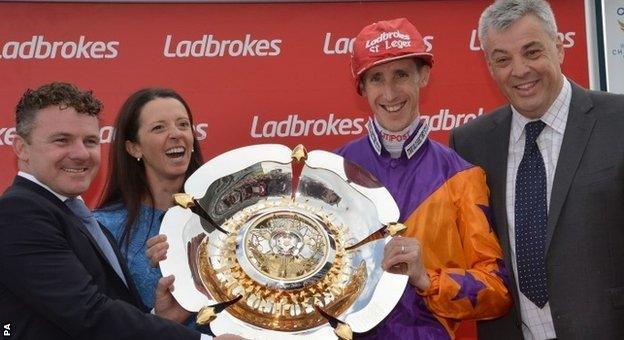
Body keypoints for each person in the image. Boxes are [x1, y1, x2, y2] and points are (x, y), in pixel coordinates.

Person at [0, 82, 236, 340]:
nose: (81, 154)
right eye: (62, 140)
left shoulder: (77, 216)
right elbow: (89, 314)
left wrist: (160, 315)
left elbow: (105, 310)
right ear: (21, 148)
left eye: (90, 141)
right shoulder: (19, 212)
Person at [449, 1, 624, 339]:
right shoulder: (471, 143)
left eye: (532, 52)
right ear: (489, 65)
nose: (520, 70)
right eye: (502, 59)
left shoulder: (618, 121)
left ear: (559, 48)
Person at [334, 18, 512, 339]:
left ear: (423, 76)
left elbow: (497, 291)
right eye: (376, 78)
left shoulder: (462, 176)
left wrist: (426, 279)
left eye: (401, 74)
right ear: (362, 88)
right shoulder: (334, 171)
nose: (389, 93)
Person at [94, 88, 203, 316]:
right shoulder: (104, 229)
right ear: (134, 148)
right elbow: (101, 323)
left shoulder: (230, 215)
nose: (176, 134)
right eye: (159, 127)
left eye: (183, 124)